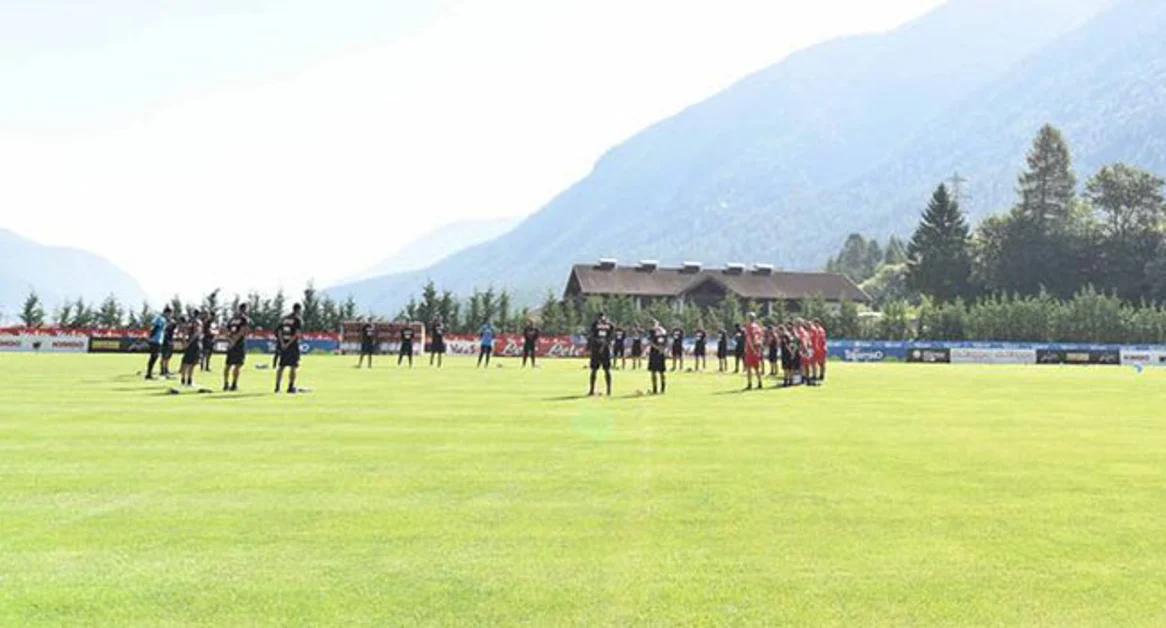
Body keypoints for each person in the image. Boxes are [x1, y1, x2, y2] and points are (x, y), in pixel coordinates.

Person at [274, 304, 304, 394]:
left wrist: (282, 343)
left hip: (283, 344)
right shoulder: (297, 319)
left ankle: (277, 387)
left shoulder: (284, 318)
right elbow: (296, 334)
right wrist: (288, 343)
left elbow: (279, 331)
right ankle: (290, 387)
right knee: (293, 366)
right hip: (292, 345)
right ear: (299, 310)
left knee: (281, 366)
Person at [222, 303, 251, 391]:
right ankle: (234, 384)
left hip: (231, 343)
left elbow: (226, 331)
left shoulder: (232, 319)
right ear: (245, 309)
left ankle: (225, 384)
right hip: (239, 343)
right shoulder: (244, 319)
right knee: (238, 365)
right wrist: (234, 341)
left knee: (228, 365)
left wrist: (229, 340)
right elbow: (242, 331)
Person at [587, 312, 614, 396]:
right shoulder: (609, 324)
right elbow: (611, 337)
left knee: (600, 370)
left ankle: (605, 390)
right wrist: (605, 342)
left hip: (598, 349)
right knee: (600, 370)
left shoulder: (596, 324)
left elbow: (592, 336)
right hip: (603, 348)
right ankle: (606, 390)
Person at [144, 306, 172, 380]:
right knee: (154, 357)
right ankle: (149, 374)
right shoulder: (161, 319)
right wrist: (151, 337)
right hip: (156, 340)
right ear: (166, 313)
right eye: (169, 314)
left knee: (154, 357)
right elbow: (155, 328)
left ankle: (149, 373)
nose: (170, 316)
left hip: (158, 340)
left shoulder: (162, 319)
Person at [179, 309, 204, 387]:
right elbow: (197, 333)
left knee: (186, 362)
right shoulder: (198, 322)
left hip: (188, 344)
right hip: (195, 344)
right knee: (192, 363)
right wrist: (189, 343)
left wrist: (184, 342)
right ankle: (189, 380)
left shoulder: (189, 322)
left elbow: (183, 332)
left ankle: (183, 379)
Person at [743, 313, 765, 390]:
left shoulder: (749, 327)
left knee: (749, 368)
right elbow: (761, 338)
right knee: (757, 367)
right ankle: (760, 383)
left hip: (751, 350)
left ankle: (749, 384)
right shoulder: (758, 327)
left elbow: (749, 339)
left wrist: (752, 349)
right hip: (757, 348)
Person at [648, 321, 668, 394]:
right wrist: (657, 348)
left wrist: (662, 349)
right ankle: (654, 389)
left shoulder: (664, 336)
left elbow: (666, 344)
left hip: (661, 355)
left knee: (662, 372)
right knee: (653, 372)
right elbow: (651, 342)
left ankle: (663, 388)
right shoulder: (653, 335)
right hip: (653, 354)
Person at [161, 312, 177, 378]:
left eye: (170, 314)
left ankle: (166, 369)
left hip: (171, 340)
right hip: (165, 341)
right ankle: (163, 370)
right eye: (167, 314)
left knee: (168, 356)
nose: (169, 315)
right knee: (164, 356)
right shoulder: (163, 321)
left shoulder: (173, 322)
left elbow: (175, 330)